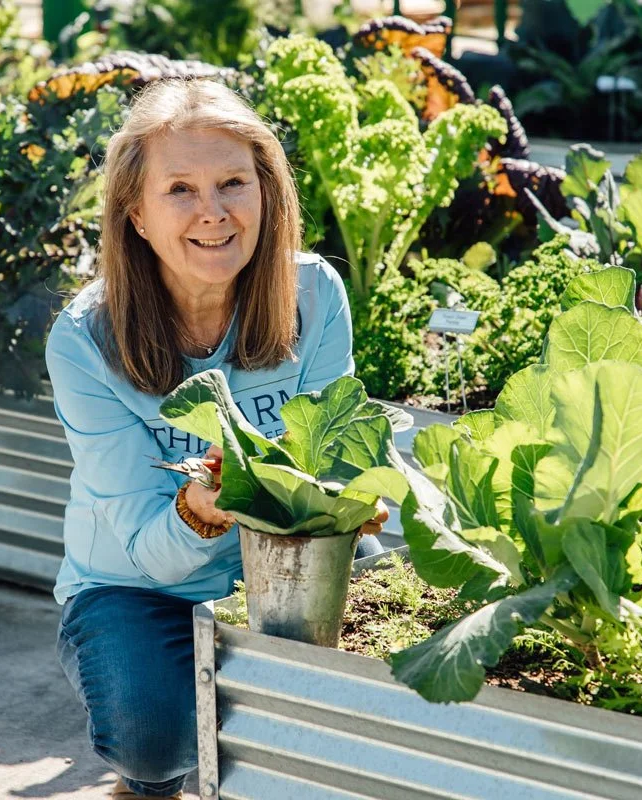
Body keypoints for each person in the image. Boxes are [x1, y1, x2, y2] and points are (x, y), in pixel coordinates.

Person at [46, 78, 388, 800]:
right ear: (136, 214)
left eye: (234, 182)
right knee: (152, 737)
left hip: (298, 561)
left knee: (388, 701)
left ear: (266, 194)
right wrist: (203, 508)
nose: (213, 212)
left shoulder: (314, 295)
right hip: (139, 585)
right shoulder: (85, 340)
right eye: (180, 190)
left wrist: (364, 493)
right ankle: (146, 786)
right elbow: (145, 547)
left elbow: (345, 449)